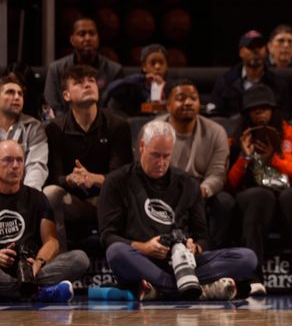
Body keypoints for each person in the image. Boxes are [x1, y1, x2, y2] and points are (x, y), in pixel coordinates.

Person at [99, 121, 257, 301]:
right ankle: (192, 288)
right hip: (144, 260)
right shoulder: (116, 181)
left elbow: (203, 237)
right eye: (155, 155)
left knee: (247, 258)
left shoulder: (188, 183)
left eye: (166, 156)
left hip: (184, 262)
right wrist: (145, 247)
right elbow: (108, 236)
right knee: (117, 252)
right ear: (142, 147)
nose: (161, 163)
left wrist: (194, 247)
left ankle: (163, 289)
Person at [226, 85, 292, 297]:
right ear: (247, 114)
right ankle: (252, 279)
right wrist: (245, 157)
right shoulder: (236, 140)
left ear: (274, 110)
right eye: (254, 109)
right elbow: (230, 184)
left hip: (289, 196)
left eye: (264, 108)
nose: (260, 113)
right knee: (259, 196)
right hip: (256, 200)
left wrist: (275, 161)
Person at [44, 66, 132, 251]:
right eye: (79, 83)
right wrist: (70, 179)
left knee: (127, 194)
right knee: (51, 192)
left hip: (107, 198)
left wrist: (96, 179)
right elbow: (53, 177)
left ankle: (123, 255)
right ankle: (61, 258)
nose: (87, 85)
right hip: (74, 200)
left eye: (91, 81)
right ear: (66, 95)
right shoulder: (54, 129)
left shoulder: (118, 125)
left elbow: (124, 176)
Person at [0, 140, 90, 302]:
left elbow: (51, 241)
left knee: (80, 258)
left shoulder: (36, 197)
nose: (15, 166)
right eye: (8, 160)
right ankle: (38, 292)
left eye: (19, 160)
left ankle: (23, 289)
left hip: (32, 269)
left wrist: (39, 262)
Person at [152, 80, 235, 251]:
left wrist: (200, 191)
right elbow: (148, 169)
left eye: (193, 98)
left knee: (224, 202)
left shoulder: (216, 131)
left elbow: (218, 173)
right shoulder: (154, 130)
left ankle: (211, 253)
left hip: (201, 191)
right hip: (164, 189)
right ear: (167, 105)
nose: (188, 102)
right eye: (181, 98)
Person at [44, 18, 123, 116]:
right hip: (64, 126)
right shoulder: (55, 69)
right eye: (82, 34)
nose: (88, 38)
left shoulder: (114, 70)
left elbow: (114, 109)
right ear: (72, 40)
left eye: (92, 33)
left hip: (103, 127)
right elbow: (52, 106)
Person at [210, 30, 292, 119]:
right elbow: (216, 115)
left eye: (260, 46)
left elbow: (286, 116)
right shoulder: (225, 82)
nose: (256, 51)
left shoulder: (278, 84)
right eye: (251, 47)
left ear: (266, 50)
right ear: (241, 52)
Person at [0, 74, 48, 190]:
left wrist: (27, 198)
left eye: (20, 94)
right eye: (10, 92)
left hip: (22, 193)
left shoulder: (34, 127)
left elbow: (36, 166)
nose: (17, 97)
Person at [103, 44, 170, 116]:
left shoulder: (172, 89)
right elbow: (111, 88)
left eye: (161, 63)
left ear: (167, 66)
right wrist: (142, 78)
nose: (157, 67)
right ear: (144, 67)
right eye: (153, 63)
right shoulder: (135, 87)